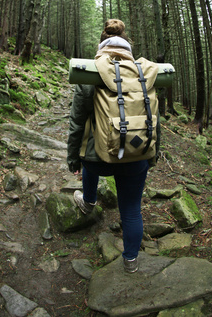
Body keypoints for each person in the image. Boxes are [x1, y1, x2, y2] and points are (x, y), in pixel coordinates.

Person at [67, 19, 160, 273]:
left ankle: (88, 201)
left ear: (102, 43)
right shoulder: (145, 72)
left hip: (98, 159)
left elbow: (77, 121)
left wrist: (73, 157)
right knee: (131, 210)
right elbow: (154, 119)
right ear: (126, 43)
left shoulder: (92, 70)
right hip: (137, 155)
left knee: (89, 162)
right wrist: (153, 154)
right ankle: (130, 261)